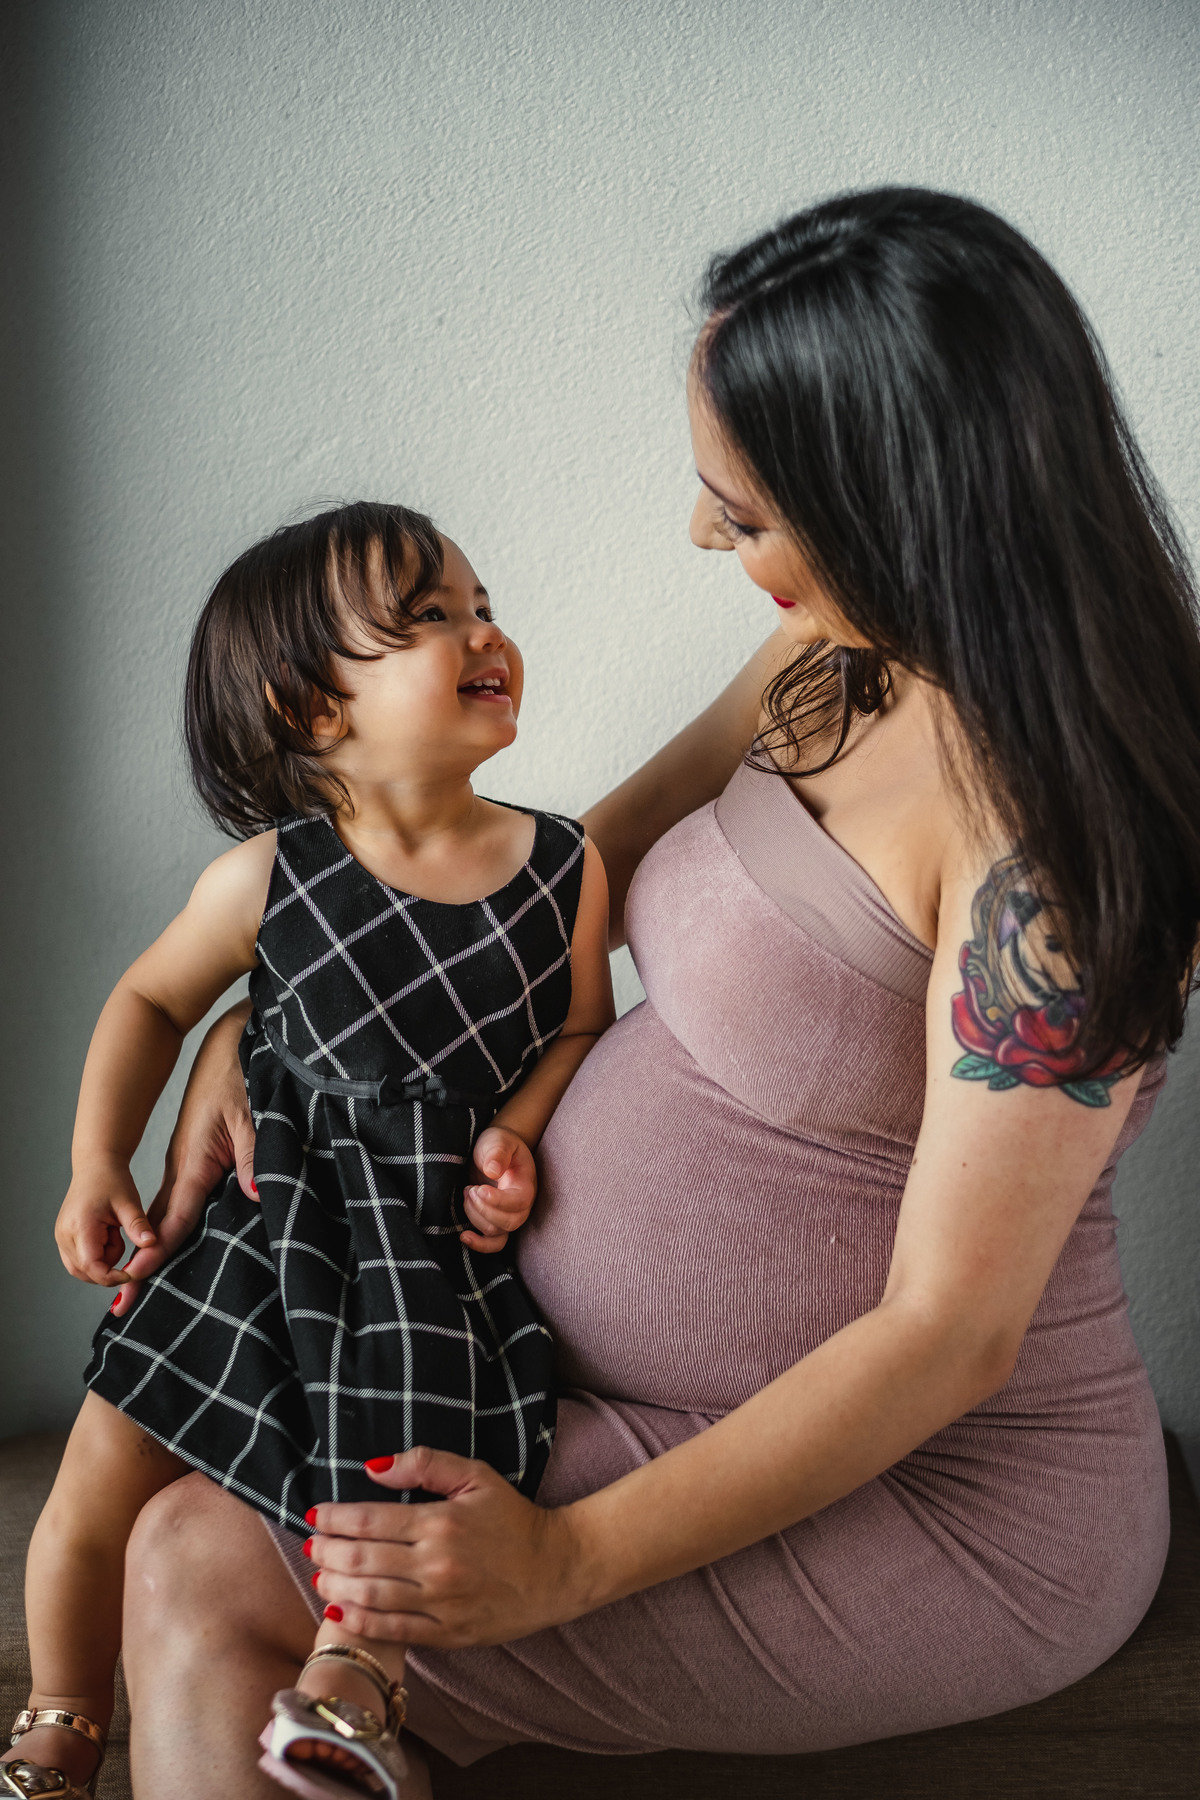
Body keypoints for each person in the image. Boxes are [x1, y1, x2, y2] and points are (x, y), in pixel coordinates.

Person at [115, 188, 1200, 1796]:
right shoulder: (839, 656)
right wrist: (253, 1023)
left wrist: (565, 1565)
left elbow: (949, 1339)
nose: (707, 541)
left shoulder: (1059, 850)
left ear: (904, 495)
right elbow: (560, 880)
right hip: (588, 1371)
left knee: (210, 1573)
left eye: (745, 510)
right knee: (179, 1529)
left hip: (944, 1498)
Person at [3, 504, 613, 1800]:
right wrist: (96, 1160)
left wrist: (518, 1129)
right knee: (93, 1486)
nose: (482, 629)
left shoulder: (562, 867)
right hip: (248, 1238)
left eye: (478, 600)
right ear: (313, 708)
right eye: (428, 619)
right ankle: (59, 1714)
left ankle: (354, 1679)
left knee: (404, 1461)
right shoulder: (272, 878)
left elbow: (575, 1031)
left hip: (413, 1259)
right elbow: (152, 1003)